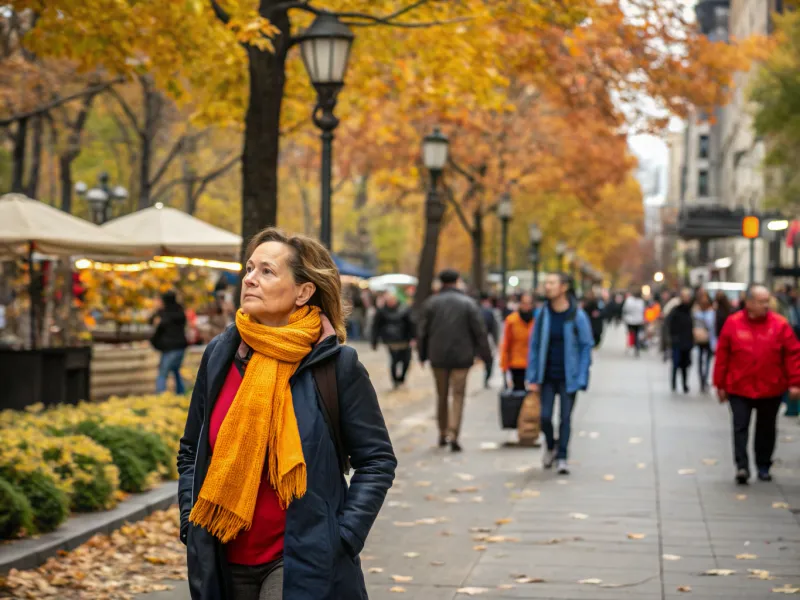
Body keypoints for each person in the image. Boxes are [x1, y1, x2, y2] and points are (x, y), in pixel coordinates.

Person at [177, 228, 396, 600]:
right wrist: (189, 522)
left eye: (266, 271)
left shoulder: (336, 365)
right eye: (249, 268)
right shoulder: (220, 355)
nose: (249, 278)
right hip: (220, 552)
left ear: (303, 291)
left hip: (299, 559)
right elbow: (190, 451)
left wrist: (343, 536)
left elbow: (376, 460)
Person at [713, 284, 800, 485]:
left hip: (771, 387)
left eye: (767, 301)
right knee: (740, 426)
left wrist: (795, 382)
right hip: (739, 386)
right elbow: (723, 355)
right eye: (762, 301)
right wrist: (720, 384)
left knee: (766, 428)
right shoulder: (733, 323)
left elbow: (793, 354)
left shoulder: (780, 324)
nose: (766, 305)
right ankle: (742, 466)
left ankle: (763, 465)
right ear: (749, 303)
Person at [525, 273, 593, 475]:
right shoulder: (543, 314)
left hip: (568, 376)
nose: (547, 286)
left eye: (552, 283)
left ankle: (562, 456)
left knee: (565, 418)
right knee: (544, 416)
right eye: (546, 283)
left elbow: (586, 346)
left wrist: (582, 376)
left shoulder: (576, 315)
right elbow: (535, 345)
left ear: (564, 287)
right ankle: (551, 445)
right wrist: (533, 376)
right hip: (546, 376)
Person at [418, 269, 492, 452]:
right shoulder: (468, 303)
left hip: (438, 356)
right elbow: (479, 331)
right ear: (458, 281)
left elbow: (422, 331)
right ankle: (454, 433)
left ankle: (442, 432)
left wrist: (422, 354)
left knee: (441, 396)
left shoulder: (431, 303)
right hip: (462, 356)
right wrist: (486, 355)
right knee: (458, 395)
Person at [371, 292, 415, 389]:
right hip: (391, 340)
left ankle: (401, 379)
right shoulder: (382, 311)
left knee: (406, 361)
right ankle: (395, 381)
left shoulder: (405, 309)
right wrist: (374, 341)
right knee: (394, 361)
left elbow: (411, 324)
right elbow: (376, 327)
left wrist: (414, 337)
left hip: (404, 340)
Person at [150, 290, 188, 394]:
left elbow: (157, 327)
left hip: (169, 348)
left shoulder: (164, 314)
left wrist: (153, 341)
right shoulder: (180, 311)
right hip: (181, 346)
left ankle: (161, 395)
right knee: (176, 371)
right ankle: (181, 393)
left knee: (163, 373)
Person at [500, 293, 535, 391]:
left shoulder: (537, 320)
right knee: (518, 393)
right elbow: (506, 343)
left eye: (529, 303)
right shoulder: (512, 320)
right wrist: (504, 364)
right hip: (516, 363)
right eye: (524, 303)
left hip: (532, 363)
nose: (526, 306)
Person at [668, 288, 694, 394]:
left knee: (685, 365)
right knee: (675, 363)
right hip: (678, 341)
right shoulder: (676, 310)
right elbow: (670, 324)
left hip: (687, 341)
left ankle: (684, 384)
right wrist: (673, 338)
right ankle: (674, 383)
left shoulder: (690, 310)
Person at [693, 289, 716, 393]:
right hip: (701, 337)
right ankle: (702, 379)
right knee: (701, 359)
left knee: (706, 360)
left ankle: (704, 378)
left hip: (707, 338)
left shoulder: (710, 310)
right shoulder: (698, 309)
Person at [479, 295, 500, 388]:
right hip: (486, 339)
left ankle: (485, 379)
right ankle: (486, 379)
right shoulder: (490, 312)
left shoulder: (476, 310)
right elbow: (495, 329)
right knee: (489, 361)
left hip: (479, 339)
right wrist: (496, 342)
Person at [622, 289, 646, 356]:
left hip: (630, 320)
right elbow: (643, 310)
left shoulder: (629, 300)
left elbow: (625, 309)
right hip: (638, 320)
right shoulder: (641, 301)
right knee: (636, 334)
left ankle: (630, 346)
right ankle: (636, 347)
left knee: (630, 334)